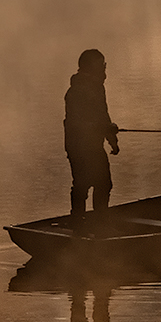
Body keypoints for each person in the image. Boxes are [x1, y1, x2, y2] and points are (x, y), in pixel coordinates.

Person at [64, 49, 120, 219]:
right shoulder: (76, 92)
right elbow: (76, 122)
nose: (104, 70)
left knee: (103, 183)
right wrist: (101, 128)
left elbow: (104, 116)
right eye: (101, 66)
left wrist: (112, 139)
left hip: (94, 146)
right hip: (79, 146)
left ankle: (98, 220)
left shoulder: (97, 88)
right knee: (83, 185)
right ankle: (80, 222)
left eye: (104, 66)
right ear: (89, 67)